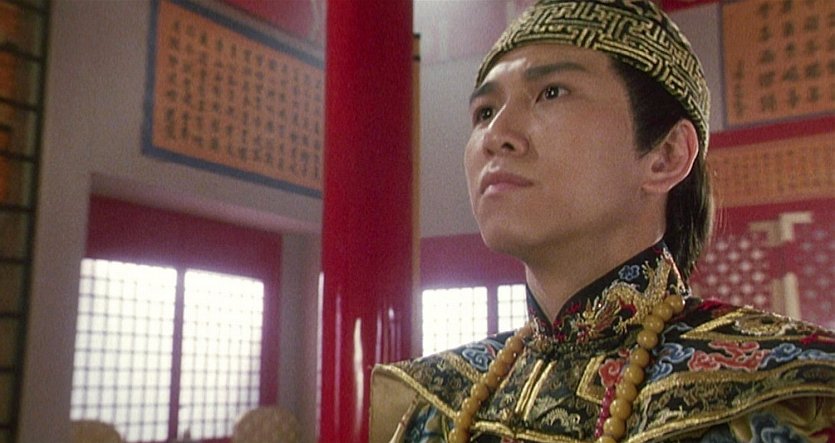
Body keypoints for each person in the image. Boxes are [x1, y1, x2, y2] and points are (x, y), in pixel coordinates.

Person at [370, 1, 835, 442]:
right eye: (484, 112)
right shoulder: (437, 404)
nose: (496, 136)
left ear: (666, 156)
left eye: (551, 92)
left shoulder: (789, 394)